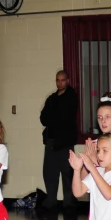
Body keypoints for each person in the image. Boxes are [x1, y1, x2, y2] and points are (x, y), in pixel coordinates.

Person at [40, 70, 78, 212]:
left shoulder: (71, 97)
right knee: (49, 172)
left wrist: (53, 117)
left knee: (67, 172)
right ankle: (51, 200)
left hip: (66, 141)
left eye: (62, 80)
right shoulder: (51, 99)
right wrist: (54, 118)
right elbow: (43, 118)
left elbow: (65, 117)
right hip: (51, 141)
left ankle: (69, 202)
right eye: (57, 80)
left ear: (67, 81)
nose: (59, 83)